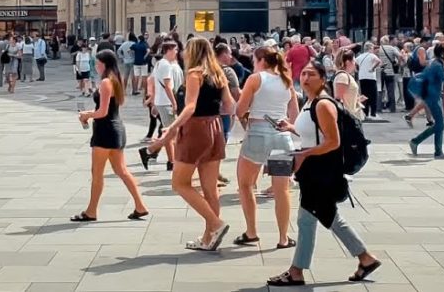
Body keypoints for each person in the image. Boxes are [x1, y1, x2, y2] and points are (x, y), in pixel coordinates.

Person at [267, 61, 381, 286]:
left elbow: (333, 142)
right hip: (314, 169)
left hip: (323, 170)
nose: (305, 77)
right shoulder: (310, 102)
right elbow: (311, 132)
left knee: (311, 218)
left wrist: (304, 154)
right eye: (304, 73)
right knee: (322, 217)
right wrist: (290, 127)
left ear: (322, 78)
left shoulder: (323, 104)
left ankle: (297, 271)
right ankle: (365, 258)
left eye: (311, 74)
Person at [151, 38, 235, 251]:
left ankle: (215, 224)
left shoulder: (194, 74)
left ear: (193, 52)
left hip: (196, 128)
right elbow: (230, 105)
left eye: (187, 50)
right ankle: (208, 238)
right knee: (210, 189)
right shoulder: (218, 74)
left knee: (180, 183)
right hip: (215, 127)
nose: (183, 53)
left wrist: (171, 128)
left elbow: (190, 107)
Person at [71, 50, 149, 222]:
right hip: (116, 128)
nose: (95, 66)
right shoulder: (116, 79)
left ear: (104, 64)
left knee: (97, 173)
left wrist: (86, 115)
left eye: (97, 63)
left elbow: (102, 112)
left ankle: (91, 211)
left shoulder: (107, 82)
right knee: (121, 170)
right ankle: (140, 206)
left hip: (105, 131)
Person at [233, 46, 298, 249]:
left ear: (260, 60)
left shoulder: (256, 79)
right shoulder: (287, 81)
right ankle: (283, 237)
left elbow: (239, 109)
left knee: (245, 184)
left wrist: (249, 111)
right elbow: (295, 113)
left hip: (258, 133)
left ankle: (251, 232)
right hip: (282, 135)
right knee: (282, 190)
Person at [138, 41, 183, 170]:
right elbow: (168, 86)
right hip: (167, 102)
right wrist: (174, 103)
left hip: (162, 102)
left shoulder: (160, 64)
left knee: (169, 132)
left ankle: (170, 160)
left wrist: (153, 100)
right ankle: (151, 152)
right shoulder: (166, 65)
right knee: (171, 134)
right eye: (175, 50)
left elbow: (152, 80)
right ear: (168, 50)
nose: (177, 52)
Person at [409, 43, 444, 160]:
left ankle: (438, 151)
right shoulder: (438, 65)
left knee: (440, 125)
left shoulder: (434, 63)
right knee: (440, 124)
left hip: (431, 95)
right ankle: (416, 141)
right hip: (433, 96)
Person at [332, 49, 363, 120]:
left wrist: (357, 99)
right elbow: (338, 99)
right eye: (354, 60)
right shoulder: (343, 76)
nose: (355, 63)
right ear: (348, 62)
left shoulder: (346, 76)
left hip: (351, 115)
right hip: (347, 118)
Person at [354, 43, 381, 120]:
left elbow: (354, 62)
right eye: (372, 48)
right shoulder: (372, 55)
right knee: (373, 95)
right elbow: (378, 61)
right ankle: (373, 113)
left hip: (362, 77)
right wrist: (373, 68)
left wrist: (357, 70)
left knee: (364, 95)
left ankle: (365, 113)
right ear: (370, 48)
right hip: (371, 77)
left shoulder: (360, 56)